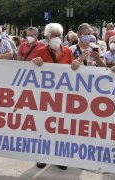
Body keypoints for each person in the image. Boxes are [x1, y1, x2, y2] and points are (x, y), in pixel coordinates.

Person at [31, 23, 75, 170]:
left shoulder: (68, 52)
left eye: (59, 35)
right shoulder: (40, 51)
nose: (57, 38)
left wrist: (76, 65)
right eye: (53, 35)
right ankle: (41, 156)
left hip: (63, 97)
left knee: (61, 128)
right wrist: (34, 63)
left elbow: (75, 73)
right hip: (45, 97)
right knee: (43, 127)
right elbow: (29, 72)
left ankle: (60, 158)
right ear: (47, 37)